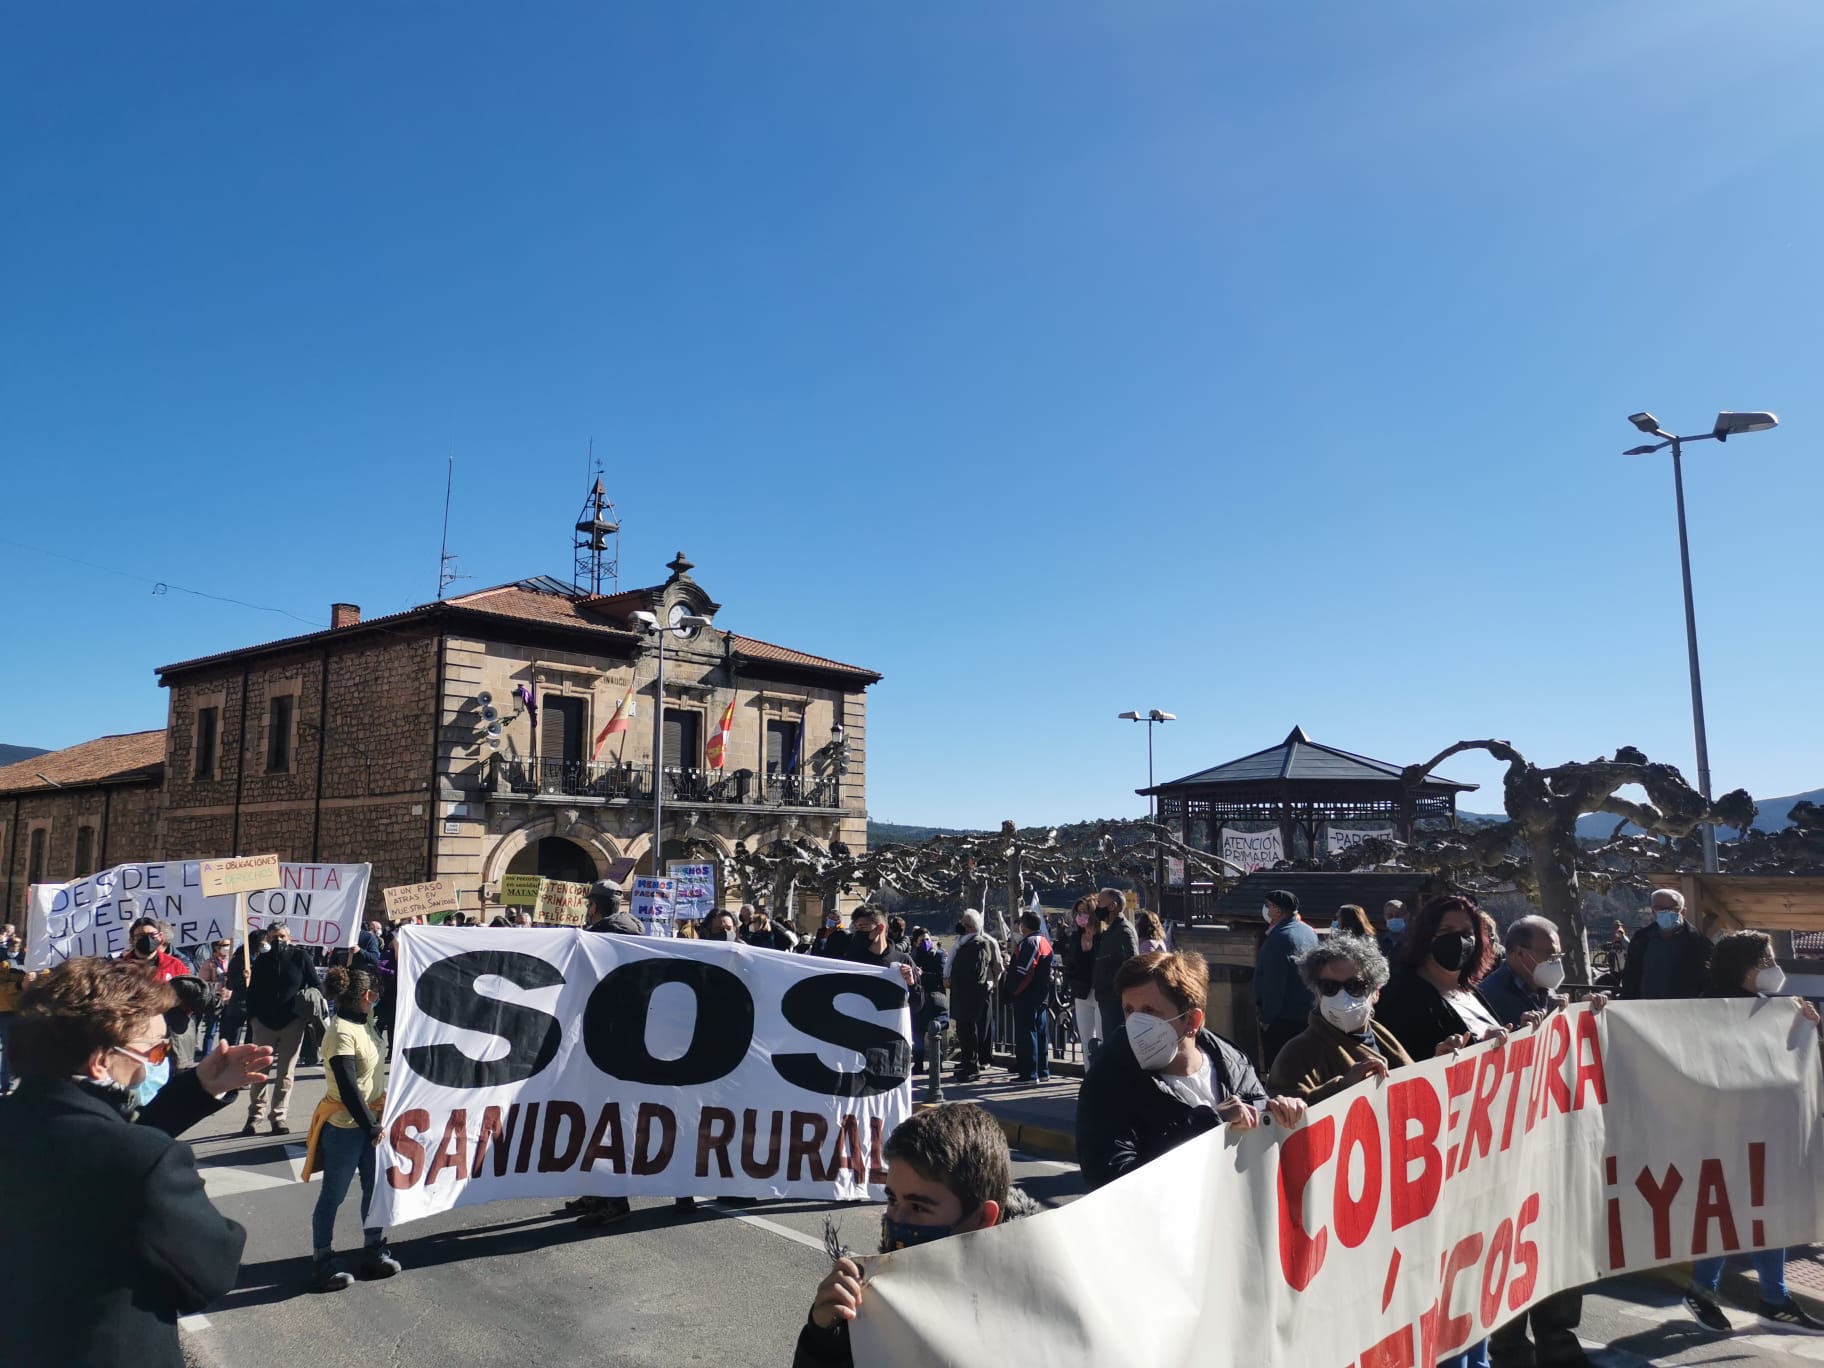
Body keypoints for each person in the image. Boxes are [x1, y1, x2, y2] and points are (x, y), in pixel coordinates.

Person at [0, 956, 272, 1368]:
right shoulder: (144, 1161)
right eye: (157, 1049)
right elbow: (211, 1272)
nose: (160, 1059)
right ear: (101, 1060)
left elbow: (101, 1136)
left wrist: (199, 1088)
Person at [794, 1102, 1038, 1367]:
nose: (897, 1219)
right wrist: (824, 1340)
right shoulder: (868, 1306)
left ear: (982, 1218)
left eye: (918, 1206)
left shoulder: (1037, 1312)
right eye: (893, 1200)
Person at [1683, 931, 1824, 1335]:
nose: (1773, 970)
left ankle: (1773, 1298)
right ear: (1740, 967)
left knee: (1768, 1209)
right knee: (1728, 1212)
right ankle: (1705, 1290)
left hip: (1763, 1128)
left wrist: (1809, 1029)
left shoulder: (1772, 1008)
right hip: (1721, 1130)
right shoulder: (1706, 1008)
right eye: (1764, 962)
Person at [1077, 950, 1305, 1190]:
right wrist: (1209, 1125)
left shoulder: (1233, 1063)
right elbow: (1110, 1182)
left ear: (1191, 1021)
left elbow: (1261, 1123)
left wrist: (1280, 1112)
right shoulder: (1108, 1083)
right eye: (1129, 1010)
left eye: (1149, 1011)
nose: (1136, 1025)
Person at [1476, 917, 1594, 1368]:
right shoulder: (1491, 997)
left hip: (1553, 1139)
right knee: (1511, 1246)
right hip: (1509, 1144)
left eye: (1558, 953)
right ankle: (1510, 1348)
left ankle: (1558, 1340)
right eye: (1548, 954)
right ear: (1518, 954)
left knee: (1558, 1238)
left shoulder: (1543, 993)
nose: (1555, 962)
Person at [302, 965, 401, 1292]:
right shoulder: (341, 1031)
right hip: (345, 1127)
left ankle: (373, 1249)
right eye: (375, 993)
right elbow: (347, 1086)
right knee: (334, 1194)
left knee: (374, 1191)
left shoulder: (365, 1023)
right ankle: (322, 1260)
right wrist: (370, 1126)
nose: (378, 998)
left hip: (371, 1123)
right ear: (365, 997)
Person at [1268, 933, 1414, 1104]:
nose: (1342, 996)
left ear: (1376, 992)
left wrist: (1443, 1065)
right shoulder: (1296, 1055)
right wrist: (1343, 1088)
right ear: (1316, 992)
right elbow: (1284, 1120)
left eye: (1355, 986)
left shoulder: (1383, 1037)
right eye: (1329, 987)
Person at [1375, 895, 1505, 1062]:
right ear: (1426, 936)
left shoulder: (1469, 990)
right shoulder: (1401, 999)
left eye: (1466, 933)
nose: (1458, 940)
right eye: (1446, 931)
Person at [243, 921, 319, 1135]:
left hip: (292, 1023)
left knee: (286, 1073)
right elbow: (253, 992)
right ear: (267, 939)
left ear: (290, 938)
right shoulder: (261, 961)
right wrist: (253, 1019)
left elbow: (316, 985)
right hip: (264, 1024)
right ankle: (254, 1116)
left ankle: (278, 1117)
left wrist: (305, 1010)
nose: (279, 941)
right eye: (274, 937)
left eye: (282, 936)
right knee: (259, 1071)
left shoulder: (301, 958)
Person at [1255, 889, 1320, 1067]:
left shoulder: (1279, 939)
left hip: (1284, 1018)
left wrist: (1267, 1018)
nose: (1266, 910)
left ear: (1277, 910)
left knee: (1282, 1068)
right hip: (1307, 1013)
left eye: (1268, 906)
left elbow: (1273, 983)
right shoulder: (1307, 932)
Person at [1620, 888, 1711, 1000]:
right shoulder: (1641, 939)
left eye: (1672, 908)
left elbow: (1708, 981)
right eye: (1660, 909)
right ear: (1653, 912)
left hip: (1684, 1011)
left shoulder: (1698, 942)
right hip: (1645, 1011)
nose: (1666, 912)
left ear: (1683, 912)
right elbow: (1630, 976)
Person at [945, 909, 997, 1083]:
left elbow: (974, 972)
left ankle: (971, 1066)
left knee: (968, 1032)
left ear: (968, 927)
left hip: (970, 996)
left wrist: (953, 978)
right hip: (962, 995)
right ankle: (967, 1062)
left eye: (963, 922)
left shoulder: (978, 945)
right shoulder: (963, 944)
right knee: (963, 1031)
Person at [1005, 911, 1054, 1083]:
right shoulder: (1044, 941)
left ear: (1024, 925)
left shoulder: (1031, 942)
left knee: (1027, 1034)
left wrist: (1015, 991)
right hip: (1041, 994)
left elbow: (1024, 970)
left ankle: (1029, 1072)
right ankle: (1042, 1070)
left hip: (1028, 994)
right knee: (1040, 1033)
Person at [1089, 887, 1140, 1052]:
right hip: (1106, 996)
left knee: (1116, 1043)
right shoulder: (1110, 931)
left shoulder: (1124, 931)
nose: (1098, 907)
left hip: (1115, 998)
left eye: (1101, 903)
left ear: (1113, 906)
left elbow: (1132, 963)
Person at [1061, 895, 1102, 1055]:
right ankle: (1088, 1075)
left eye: (1084, 911)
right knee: (1086, 1041)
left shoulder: (1103, 937)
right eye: (1078, 912)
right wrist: (1067, 985)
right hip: (1081, 993)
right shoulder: (1076, 937)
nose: (1081, 916)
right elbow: (1070, 963)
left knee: (1101, 1039)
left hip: (1100, 992)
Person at [194, 937, 236, 1057]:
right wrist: (217, 985)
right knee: (211, 1030)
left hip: (229, 1000)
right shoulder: (209, 963)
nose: (227, 948)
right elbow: (203, 982)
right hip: (214, 1000)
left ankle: (223, 1054)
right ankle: (206, 1055)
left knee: (226, 1029)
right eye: (224, 945)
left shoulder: (233, 961)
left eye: (229, 945)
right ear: (216, 948)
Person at [124, 916, 190, 983]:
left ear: (160, 937)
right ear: (131, 940)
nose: (148, 939)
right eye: (141, 936)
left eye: (152, 935)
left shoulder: (175, 965)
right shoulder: (120, 967)